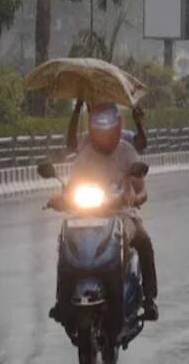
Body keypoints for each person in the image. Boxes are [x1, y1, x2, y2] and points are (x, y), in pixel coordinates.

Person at [51, 103, 159, 321]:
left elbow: (142, 190)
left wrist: (135, 198)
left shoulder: (127, 151)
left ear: (118, 124)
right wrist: (61, 199)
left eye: (108, 122)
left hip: (122, 213)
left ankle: (149, 299)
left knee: (144, 242)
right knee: (64, 245)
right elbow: (72, 185)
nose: (104, 128)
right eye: (98, 122)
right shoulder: (85, 152)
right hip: (86, 214)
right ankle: (62, 301)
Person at [67, 99, 148, 154]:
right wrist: (77, 108)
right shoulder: (88, 139)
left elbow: (141, 144)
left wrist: (138, 122)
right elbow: (71, 144)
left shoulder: (123, 137)